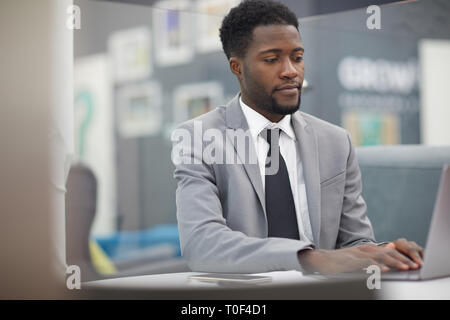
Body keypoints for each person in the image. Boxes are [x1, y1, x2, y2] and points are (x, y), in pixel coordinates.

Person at [172, 0, 424, 274]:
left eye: (298, 57)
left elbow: (354, 242)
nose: (291, 71)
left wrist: (384, 253)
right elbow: (202, 244)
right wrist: (309, 258)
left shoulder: (336, 142)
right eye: (271, 59)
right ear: (237, 68)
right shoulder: (199, 137)